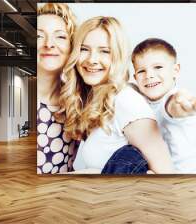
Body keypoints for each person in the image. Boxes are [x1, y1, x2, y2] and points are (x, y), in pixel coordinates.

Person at [58, 16, 174, 174]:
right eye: (84, 49)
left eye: (104, 51)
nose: (92, 59)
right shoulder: (99, 99)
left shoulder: (126, 101)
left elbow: (166, 175)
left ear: (118, 56)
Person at [131, 38, 196, 173]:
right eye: (141, 71)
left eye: (158, 67)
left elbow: (172, 108)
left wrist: (180, 106)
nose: (149, 75)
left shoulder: (175, 99)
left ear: (176, 70)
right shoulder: (137, 100)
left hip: (183, 181)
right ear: (135, 77)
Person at [36, 3, 79, 174]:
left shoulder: (76, 102)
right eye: (39, 36)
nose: (49, 44)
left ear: (71, 47)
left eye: (60, 37)